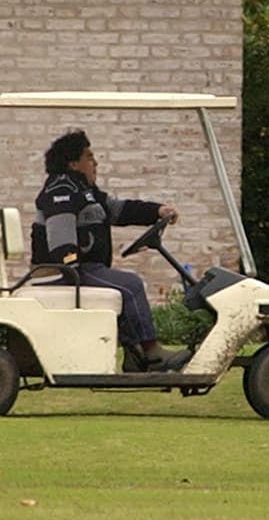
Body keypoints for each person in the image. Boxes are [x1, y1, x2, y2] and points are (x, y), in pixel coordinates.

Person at [31, 129, 190, 372]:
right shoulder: (60, 190)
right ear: (73, 162)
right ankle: (151, 354)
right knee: (130, 284)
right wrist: (73, 272)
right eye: (89, 157)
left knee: (122, 284)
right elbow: (60, 238)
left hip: (84, 268)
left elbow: (118, 210)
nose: (95, 163)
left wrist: (157, 211)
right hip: (64, 271)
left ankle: (135, 356)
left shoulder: (84, 191)